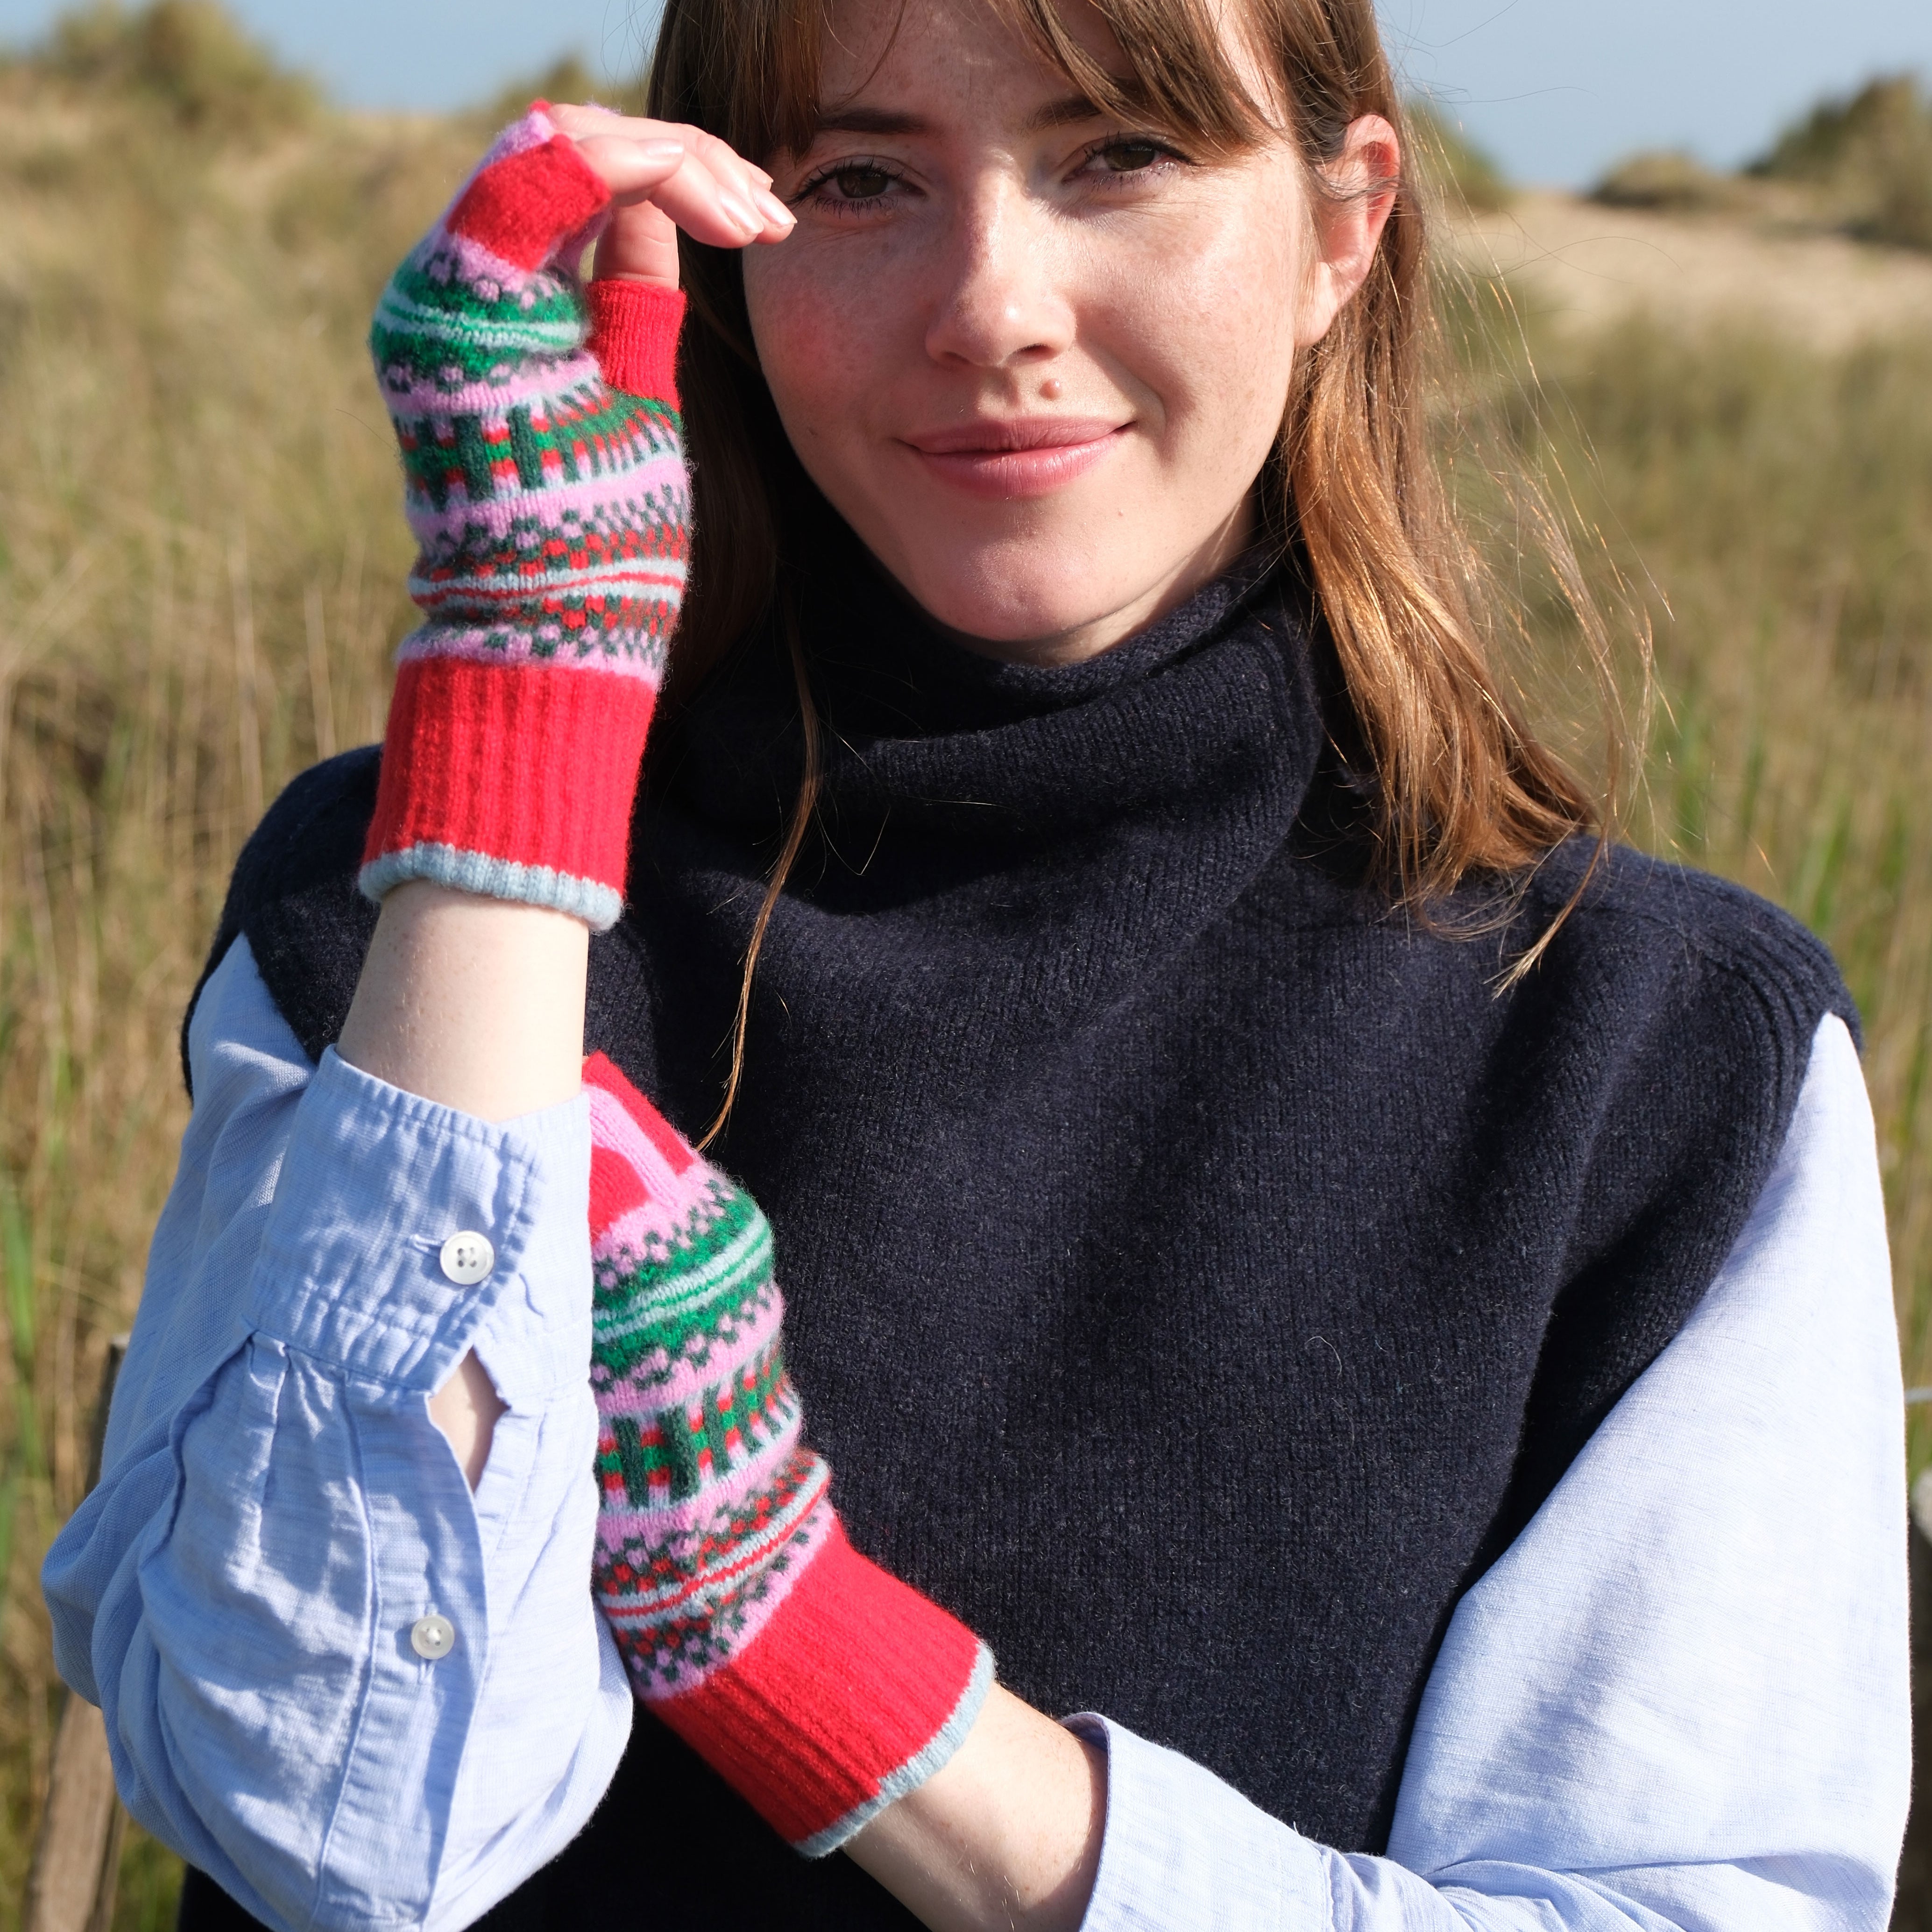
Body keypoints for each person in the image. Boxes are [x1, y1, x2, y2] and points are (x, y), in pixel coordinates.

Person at [42, 0, 1910, 1924]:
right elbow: (330, 1832)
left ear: (1344, 231)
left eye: (1122, 154)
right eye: (861, 179)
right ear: (717, 257)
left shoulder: (1656, 1059)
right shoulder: (401, 917)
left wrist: (792, 1647)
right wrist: (517, 711)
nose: (993, 307)